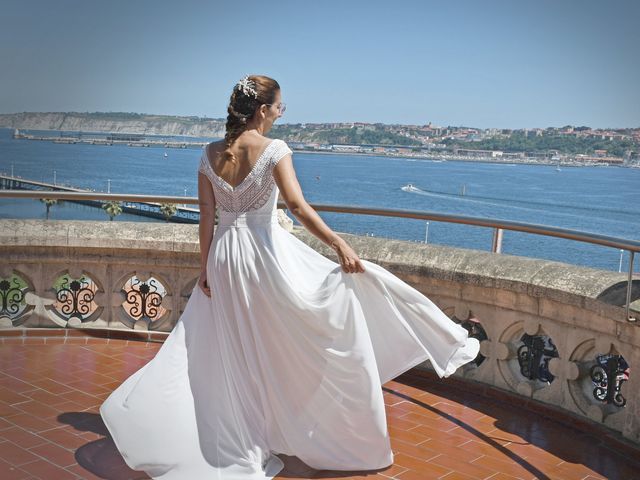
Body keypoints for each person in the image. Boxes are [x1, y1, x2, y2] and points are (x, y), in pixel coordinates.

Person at [100, 75, 480, 480]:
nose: (282, 114)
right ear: (263, 110)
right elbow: (297, 206)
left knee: (235, 349)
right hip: (264, 255)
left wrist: (205, 265)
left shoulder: (209, 153)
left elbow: (207, 217)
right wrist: (338, 244)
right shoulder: (275, 149)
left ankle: (249, 431)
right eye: (281, 107)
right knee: (297, 332)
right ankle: (292, 424)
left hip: (225, 257)